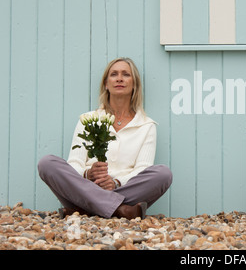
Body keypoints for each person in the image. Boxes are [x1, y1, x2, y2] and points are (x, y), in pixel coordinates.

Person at [38, 57, 172, 220]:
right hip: (86, 187)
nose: (120, 78)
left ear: (134, 84)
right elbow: (74, 163)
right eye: (114, 74)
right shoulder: (88, 119)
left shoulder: (146, 125)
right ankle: (120, 210)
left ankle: (85, 209)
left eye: (126, 75)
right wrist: (88, 174)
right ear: (106, 84)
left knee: (163, 174)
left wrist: (115, 182)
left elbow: (142, 169)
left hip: (121, 189)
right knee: (47, 163)